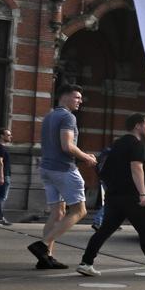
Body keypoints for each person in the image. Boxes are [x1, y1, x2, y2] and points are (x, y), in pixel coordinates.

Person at [76, 114, 145, 277]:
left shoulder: (118, 144)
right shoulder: (137, 145)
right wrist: (142, 193)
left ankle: (86, 262)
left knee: (104, 231)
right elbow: (136, 168)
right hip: (133, 197)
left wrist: (144, 185)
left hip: (115, 196)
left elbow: (109, 170)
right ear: (138, 126)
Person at [29, 84, 97, 270]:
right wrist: (87, 157)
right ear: (64, 97)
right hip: (63, 169)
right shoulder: (68, 117)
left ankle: (46, 258)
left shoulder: (49, 116)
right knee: (79, 211)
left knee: (57, 213)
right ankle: (43, 245)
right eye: (77, 97)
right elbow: (67, 146)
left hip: (47, 168)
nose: (80, 101)